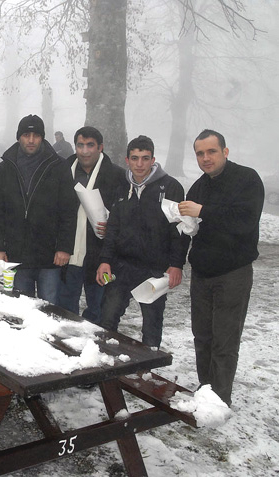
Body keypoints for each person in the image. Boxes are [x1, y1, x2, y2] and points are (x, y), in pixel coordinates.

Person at [179, 129, 264, 406]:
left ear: (225, 152)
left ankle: (219, 400)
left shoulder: (247, 179)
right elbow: (187, 225)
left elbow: (244, 221)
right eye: (200, 153)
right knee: (202, 337)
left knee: (224, 342)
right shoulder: (199, 186)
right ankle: (206, 390)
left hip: (233, 273)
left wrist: (202, 211)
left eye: (211, 151)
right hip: (202, 274)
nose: (205, 158)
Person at [96, 135, 189, 348]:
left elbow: (179, 231)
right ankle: (102, 368)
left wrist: (176, 264)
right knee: (107, 319)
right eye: (135, 158)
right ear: (127, 159)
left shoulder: (170, 187)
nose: (140, 164)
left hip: (154, 269)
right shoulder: (121, 186)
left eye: (145, 159)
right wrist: (105, 260)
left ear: (153, 159)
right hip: (121, 266)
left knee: (152, 327)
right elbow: (113, 227)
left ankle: (148, 374)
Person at [0, 114, 78, 304]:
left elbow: (68, 210)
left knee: (50, 307)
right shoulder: (6, 167)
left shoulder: (59, 166)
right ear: (18, 137)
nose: (31, 140)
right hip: (17, 252)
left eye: (36, 135)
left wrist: (64, 247)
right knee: (21, 307)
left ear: (42, 137)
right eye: (26, 135)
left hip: (50, 254)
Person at [58, 127, 126, 323]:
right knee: (65, 312)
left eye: (90, 145)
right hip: (68, 255)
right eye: (80, 145)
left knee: (98, 312)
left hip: (100, 257)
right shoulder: (63, 172)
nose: (85, 151)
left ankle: (95, 350)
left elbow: (125, 214)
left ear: (100, 147)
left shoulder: (116, 176)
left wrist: (113, 225)